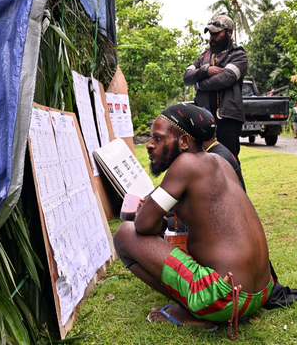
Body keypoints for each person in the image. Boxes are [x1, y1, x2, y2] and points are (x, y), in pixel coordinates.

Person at [114, 103, 272, 340]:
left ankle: (193, 313)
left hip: (227, 298)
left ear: (184, 142)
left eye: (157, 138)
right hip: (261, 291)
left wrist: (151, 216)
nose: (149, 145)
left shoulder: (186, 164)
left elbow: (142, 226)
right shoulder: (222, 162)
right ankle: (202, 306)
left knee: (124, 235)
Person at [183, 15, 248, 162]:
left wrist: (199, 84)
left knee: (228, 161)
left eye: (216, 33)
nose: (212, 37)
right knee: (203, 161)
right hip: (203, 117)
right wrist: (205, 71)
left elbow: (225, 79)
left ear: (229, 32)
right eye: (211, 34)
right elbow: (187, 76)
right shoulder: (204, 56)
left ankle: (237, 186)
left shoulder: (239, 55)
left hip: (227, 118)